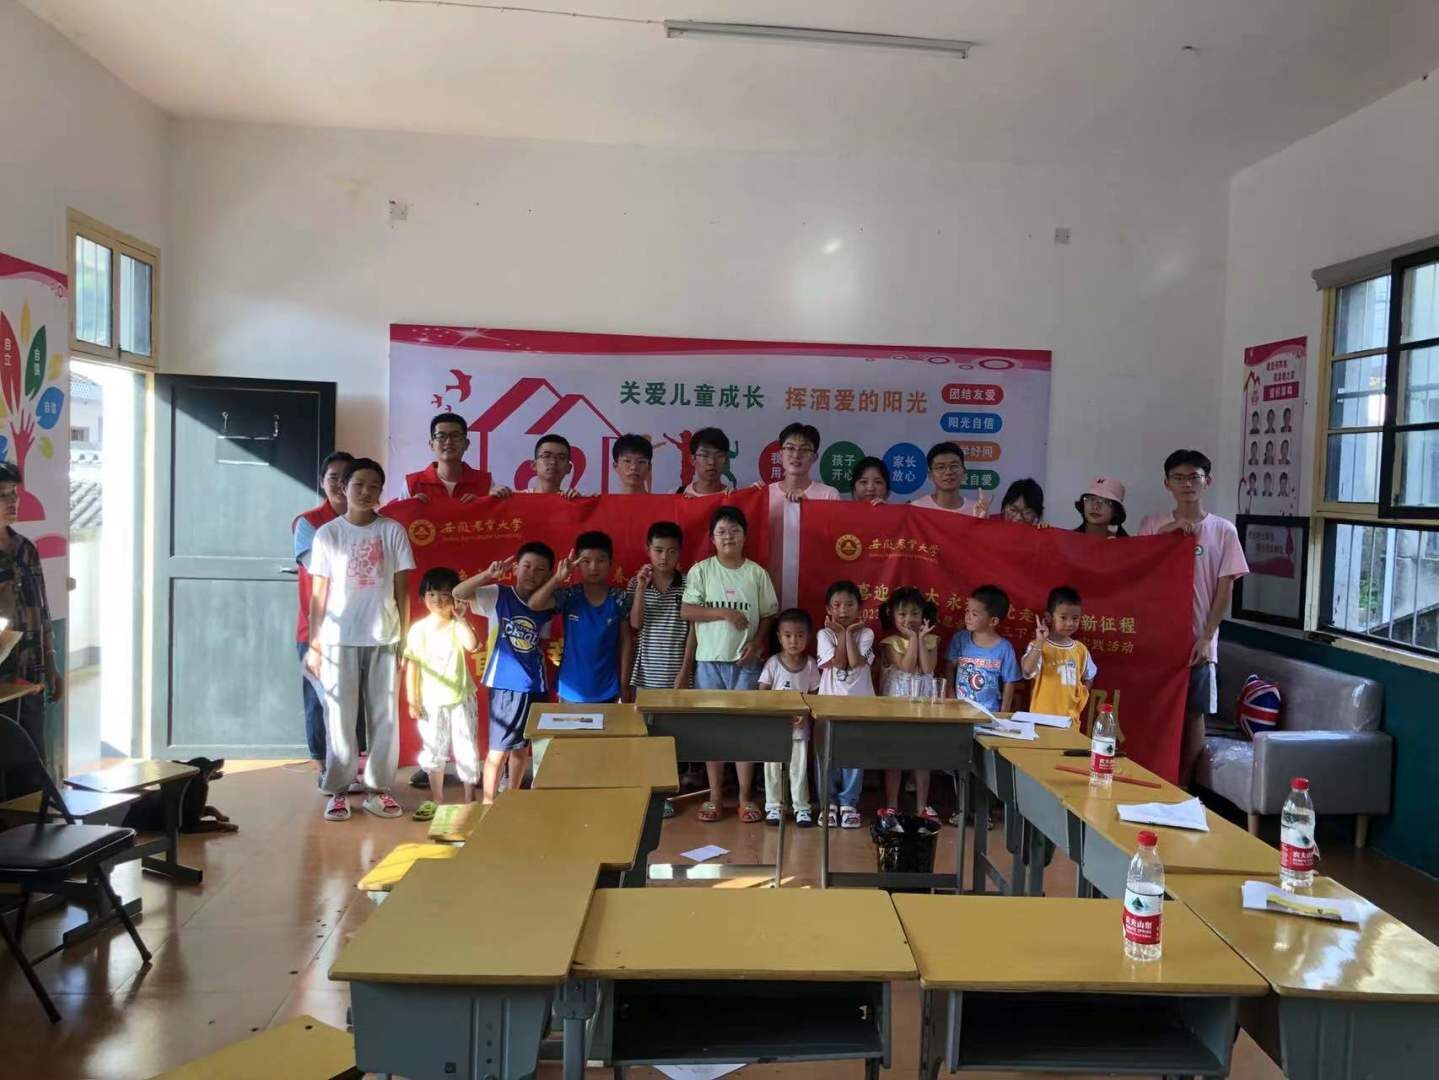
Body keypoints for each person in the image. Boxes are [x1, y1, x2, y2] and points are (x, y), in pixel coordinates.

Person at [305, 458, 414, 822]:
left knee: (384, 717)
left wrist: (404, 640)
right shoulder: (328, 534)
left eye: (373, 486)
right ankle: (338, 789)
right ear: (344, 488)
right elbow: (318, 596)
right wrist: (315, 644)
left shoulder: (392, 531)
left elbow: (402, 591)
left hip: (384, 637)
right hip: (339, 640)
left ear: (381, 491)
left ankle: (379, 790)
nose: (366, 492)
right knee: (340, 716)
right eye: (358, 485)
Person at [1139, 449, 1249, 787]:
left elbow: (1224, 590)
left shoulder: (1223, 531)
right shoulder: (1152, 525)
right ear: (1166, 483)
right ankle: (1150, 779)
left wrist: (1206, 636)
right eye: (1178, 478)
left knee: (1193, 713)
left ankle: (1183, 787)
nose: (1186, 484)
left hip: (1198, 642)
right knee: (1153, 710)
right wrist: (1169, 531)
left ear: (1207, 481)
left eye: (1194, 477)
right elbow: (1136, 569)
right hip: (1156, 640)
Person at [681, 505, 778, 823]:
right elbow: (687, 611)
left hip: (745, 664)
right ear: (712, 538)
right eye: (721, 532)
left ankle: (745, 797)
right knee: (713, 731)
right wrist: (724, 613)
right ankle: (714, 796)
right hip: (709, 663)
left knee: (743, 731)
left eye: (735, 531)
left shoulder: (756, 573)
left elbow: (769, 615)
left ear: (745, 536)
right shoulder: (701, 570)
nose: (728, 537)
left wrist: (758, 643)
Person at [453, 542, 559, 803]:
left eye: (540, 570)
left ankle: (513, 799)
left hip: (536, 686)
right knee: (498, 751)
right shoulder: (497, 594)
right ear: (515, 568)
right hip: (505, 685)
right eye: (527, 566)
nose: (532, 573)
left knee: (522, 748)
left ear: (549, 575)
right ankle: (488, 804)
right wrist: (488, 574)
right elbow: (459, 592)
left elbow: (542, 642)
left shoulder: (546, 605)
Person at [0, 462, 62, 795]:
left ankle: (31, 822)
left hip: (31, 677)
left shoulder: (26, 549)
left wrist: (51, 664)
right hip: (2, 680)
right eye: (2, 495)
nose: (12, 502)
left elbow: (43, 611)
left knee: (32, 766)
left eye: (14, 493)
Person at [293, 450, 354, 773]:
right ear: (322, 482)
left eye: (348, 478)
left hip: (359, 629)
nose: (341, 484)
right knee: (318, 701)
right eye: (334, 478)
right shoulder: (307, 523)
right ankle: (322, 767)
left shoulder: (377, 521)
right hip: (316, 631)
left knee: (352, 701)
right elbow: (321, 566)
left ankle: (350, 765)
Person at [403, 567, 481, 819]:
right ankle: (436, 799)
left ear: (455, 598)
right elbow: (413, 666)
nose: (438, 600)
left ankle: (470, 799)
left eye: (445, 594)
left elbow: (472, 645)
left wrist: (461, 618)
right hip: (431, 702)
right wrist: (413, 700)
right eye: (432, 594)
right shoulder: (419, 630)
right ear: (423, 597)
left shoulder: (457, 625)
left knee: (466, 747)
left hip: (462, 699)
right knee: (433, 749)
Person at [539, 532, 631, 704]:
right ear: (577, 564)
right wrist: (558, 578)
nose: (593, 567)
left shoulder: (620, 598)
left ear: (610, 563)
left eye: (600, 560)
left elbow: (626, 642)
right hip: (570, 689)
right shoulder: (570, 595)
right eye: (586, 561)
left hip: (608, 689)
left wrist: (624, 684)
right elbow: (535, 604)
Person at [876, 586, 940, 821]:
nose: (909, 619)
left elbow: (927, 667)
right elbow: (907, 665)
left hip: (923, 705)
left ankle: (922, 806)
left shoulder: (931, 640)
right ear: (892, 615)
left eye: (914, 613)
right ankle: (892, 805)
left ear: (923, 614)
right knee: (895, 756)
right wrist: (913, 638)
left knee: (923, 756)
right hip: (896, 705)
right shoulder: (889, 643)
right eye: (902, 614)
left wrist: (920, 638)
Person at [759, 422, 840, 605]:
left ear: (814, 457)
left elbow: (835, 542)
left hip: (812, 583)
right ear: (780, 454)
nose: (796, 455)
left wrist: (810, 509)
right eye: (790, 448)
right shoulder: (764, 494)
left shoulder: (828, 495)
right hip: (768, 583)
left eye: (804, 450)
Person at [817, 579, 875, 830]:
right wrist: (841, 634)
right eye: (837, 605)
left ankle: (849, 804)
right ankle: (828, 803)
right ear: (828, 609)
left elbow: (855, 662)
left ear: (859, 609)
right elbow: (838, 663)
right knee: (826, 754)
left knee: (854, 755)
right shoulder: (824, 634)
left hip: (860, 706)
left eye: (849, 605)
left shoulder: (867, 633)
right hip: (829, 704)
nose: (843, 610)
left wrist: (848, 633)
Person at [757, 608, 820, 828]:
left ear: (808, 637)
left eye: (800, 635)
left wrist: (805, 713)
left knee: (798, 769)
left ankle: (802, 807)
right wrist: (776, 713)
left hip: (800, 730)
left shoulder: (810, 665)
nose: (794, 641)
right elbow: (762, 692)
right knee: (772, 769)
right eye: (788, 635)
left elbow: (815, 695)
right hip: (774, 729)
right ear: (779, 637)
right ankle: (773, 806)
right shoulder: (773, 663)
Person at [627, 521, 695, 698]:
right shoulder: (636, 583)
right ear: (647, 549)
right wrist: (641, 588)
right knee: (645, 716)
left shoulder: (689, 584)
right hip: (645, 676)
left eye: (671, 551)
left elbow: (694, 630)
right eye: (658, 550)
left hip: (679, 675)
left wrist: (685, 671)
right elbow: (635, 624)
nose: (664, 557)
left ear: (679, 552)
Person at [1020, 585, 1096, 724]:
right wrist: (1040, 642)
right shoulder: (1038, 645)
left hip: (1069, 721)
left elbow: (1089, 675)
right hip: (1040, 719)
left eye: (1075, 618)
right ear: (1049, 617)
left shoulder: (1081, 650)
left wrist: (1081, 695)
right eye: (1063, 618)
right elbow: (1027, 671)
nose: (1070, 623)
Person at [946, 585, 1022, 714]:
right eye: (967, 611)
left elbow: (1009, 682)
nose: (968, 617)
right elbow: (949, 667)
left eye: (974, 614)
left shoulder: (1004, 648)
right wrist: (950, 693)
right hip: (959, 711)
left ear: (993, 621)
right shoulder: (960, 639)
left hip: (989, 714)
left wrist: (1003, 713)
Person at [404, 412, 491, 501]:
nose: (448, 442)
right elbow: (398, 510)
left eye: (455, 436)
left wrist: (482, 503)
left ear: (466, 444)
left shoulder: (486, 483)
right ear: (431, 445)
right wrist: (411, 506)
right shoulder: (412, 484)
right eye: (441, 436)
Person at [910, 442, 990, 515]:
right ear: (930, 475)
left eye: (954, 466)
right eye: (940, 467)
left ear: (964, 472)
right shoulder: (916, 508)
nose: (948, 472)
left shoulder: (977, 510)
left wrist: (982, 521)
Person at [679, 427, 733, 497]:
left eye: (719, 455)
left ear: (726, 460)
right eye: (705, 455)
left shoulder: (733, 497)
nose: (712, 462)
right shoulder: (676, 495)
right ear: (693, 460)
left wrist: (734, 500)